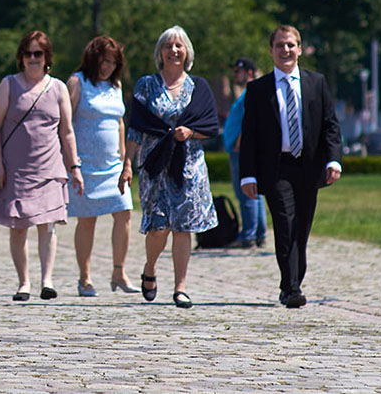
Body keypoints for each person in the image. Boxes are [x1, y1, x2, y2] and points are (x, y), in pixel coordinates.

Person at [0, 30, 84, 301]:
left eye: (39, 53)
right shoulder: (8, 85)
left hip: (49, 167)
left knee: (48, 225)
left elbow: (67, 131)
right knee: (19, 226)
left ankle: (47, 280)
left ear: (47, 58)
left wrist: (75, 167)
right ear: (21, 58)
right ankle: (24, 282)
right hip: (16, 169)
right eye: (28, 53)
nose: (33, 58)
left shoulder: (57, 88)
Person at [240, 25, 343, 309]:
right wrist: (247, 175)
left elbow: (330, 126)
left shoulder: (316, 83)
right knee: (285, 225)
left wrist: (333, 159)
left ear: (299, 49)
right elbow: (248, 136)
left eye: (291, 45)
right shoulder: (258, 90)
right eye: (280, 45)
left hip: (309, 168)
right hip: (276, 169)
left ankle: (294, 280)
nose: (285, 50)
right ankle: (291, 287)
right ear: (271, 50)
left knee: (301, 229)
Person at [123, 25, 219, 310]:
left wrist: (190, 132)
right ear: (160, 53)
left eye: (179, 45)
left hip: (189, 166)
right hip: (155, 165)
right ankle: (150, 268)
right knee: (158, 226)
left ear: (187, 52)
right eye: (168, 46)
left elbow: (209, 126)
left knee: (183, 227)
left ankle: (180, 288)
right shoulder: (146, 85)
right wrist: (127, 163)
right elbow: (136, 129)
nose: (174, 50)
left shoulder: (198, 87)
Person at [67, 36, 138, 296]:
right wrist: (71, 162)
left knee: (124, 214)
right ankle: (85, 277)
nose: (107, 66)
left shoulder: (115, 86)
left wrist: (124, 161)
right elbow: (65, 123)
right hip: (84, 165)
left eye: (112, 62)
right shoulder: (77, 82)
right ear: (92, 58)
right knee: (87, 221)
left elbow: (120, 122)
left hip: (113, 167)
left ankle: (118, 272)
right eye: (103, 60)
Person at [223, 57, 267, 249]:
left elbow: (250, 121)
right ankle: (258, 233)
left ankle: (249, 234)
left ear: (249, 72)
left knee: (246, 192)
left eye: (237, 71)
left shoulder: (251, 92)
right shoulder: (250, 92)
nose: (235, 75)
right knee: (255, 192)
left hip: (241, 150)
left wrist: (240, 144)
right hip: (241, 149)